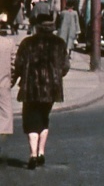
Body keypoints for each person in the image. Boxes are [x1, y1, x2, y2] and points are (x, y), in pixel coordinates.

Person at [12, 12, 70, 169]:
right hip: (52, 89)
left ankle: (32, 154)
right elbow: (65, 67)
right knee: (44, 118)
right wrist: (57, 75)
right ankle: (41, 152)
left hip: (31, 87)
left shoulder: (27, 43)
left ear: (37, 27)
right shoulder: (59, 43)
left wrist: (14, 80)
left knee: (31, 121)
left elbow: (18, 64)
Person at [0, 33, 14, 164]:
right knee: (5, 116)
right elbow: (13, 64)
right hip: (3, 84)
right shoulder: (8, 43)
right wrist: (12, 81)